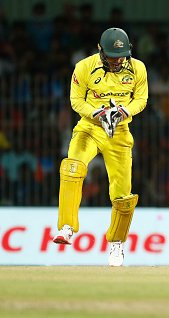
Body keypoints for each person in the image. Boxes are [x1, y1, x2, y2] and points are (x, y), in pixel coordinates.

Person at [52, 28, 148, 267]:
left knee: (123, 193)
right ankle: (67, 227)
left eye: (122, 56)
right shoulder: (83, 67)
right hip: (90, 127)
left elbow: (141, 99)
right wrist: (96, 112)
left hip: (120, 131)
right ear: (100, 51)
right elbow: (76, 101)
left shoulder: (138, 68)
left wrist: (125, 111)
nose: (117, 61)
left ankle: (117, 245)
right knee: (72, 168)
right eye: (112, 57)